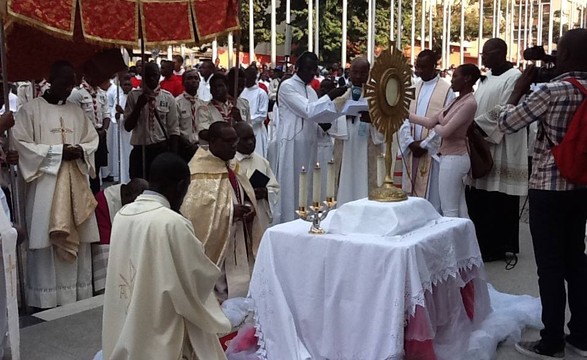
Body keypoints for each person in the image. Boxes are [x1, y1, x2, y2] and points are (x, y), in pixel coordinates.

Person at [497, 28, 587, 360]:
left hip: (549, 186)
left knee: (549, 266)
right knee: (576, 260)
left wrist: (518, 90)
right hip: (581, 186)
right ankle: (581, 335)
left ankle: (552, 341)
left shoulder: (553, 91)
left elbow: (507, 123)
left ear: (563, 55)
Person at [102, 153, 232, 360]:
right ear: (181, 185)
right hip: (161, 323)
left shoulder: (122, 214)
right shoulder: (172, 223)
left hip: (127, 313)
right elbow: (196, 278)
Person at [11, 60, 100, 308]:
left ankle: (77, 294)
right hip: (45, 187)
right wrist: (59, 153)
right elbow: (21, 145)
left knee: (78, 235)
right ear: (49, 79)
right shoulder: (30, 111)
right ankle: (45, 298)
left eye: (71, 83)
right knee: (46, 236)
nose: (68, 88)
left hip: (75, 185)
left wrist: (80, 150)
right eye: (63, 82)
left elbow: (91, 140)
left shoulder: (76, 111)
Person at [181, 122, 263, 301]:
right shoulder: (198, 171)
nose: (234, 145)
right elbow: (194, 213)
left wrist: (249, 208)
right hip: (219, 244)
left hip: (239, 234)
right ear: (212, 141)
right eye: (228, 141)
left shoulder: (231, 165)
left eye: (235, 140)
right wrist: (229, 211)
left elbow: (244, 192)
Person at [465, 38, 525, 262]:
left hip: (503, 143)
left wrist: (477, 126)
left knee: (499, 197)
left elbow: (508, 107)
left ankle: (499, 246)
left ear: (500, 53)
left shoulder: (515, 77)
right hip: (482, 141)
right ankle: (483, 242)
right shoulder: (487, 78)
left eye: (486, 53)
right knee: (482, 197)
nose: (483, 57)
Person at [276, 52, 346, 223]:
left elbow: (315, 114)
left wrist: (325, 123)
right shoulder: (287, 86)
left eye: (314, 70)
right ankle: (288, 222)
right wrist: (331, 95)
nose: (311, 74)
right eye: (307, 69)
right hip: (292, 144)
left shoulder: (311, 91)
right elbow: (308, 110)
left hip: (310, 143)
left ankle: (306, 221)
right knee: (292, 186)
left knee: (307, 187)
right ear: (297, 68)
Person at [408, 64, 481, 218]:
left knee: (449, 208)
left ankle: (452, 241)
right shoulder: (456, 100)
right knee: (460, 207)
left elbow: (446, 131)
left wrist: (439, 126)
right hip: (448, 156)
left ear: (467, 79)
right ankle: (465, 241)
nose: (452, 81)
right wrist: (404, 115)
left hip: (456, 157)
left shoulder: (469, 103)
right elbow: (430, 122)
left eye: (455, 76)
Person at [398, 50, 455, 212]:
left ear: (434, 67)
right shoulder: (413, 88)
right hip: (412, 151)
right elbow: (403, 118)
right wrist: (409, 142)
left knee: (432, 199)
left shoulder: (447, 90)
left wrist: (424, 145)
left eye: (424, 67)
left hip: (431, 154)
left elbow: (446, 121)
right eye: (417, 66)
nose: (419, 71)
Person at [331, 57, 385, 206]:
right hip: (346, 146)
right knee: (344, 181)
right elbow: (330, 121)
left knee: (365, 183)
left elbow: (385, 128)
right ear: (350, 72)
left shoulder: (377, 97)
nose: (359, 76)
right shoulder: (341, 96)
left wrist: (373, 120)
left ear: (369, 74)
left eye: (363, 72)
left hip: (367, 146)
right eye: (355, 72)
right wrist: (344, 116)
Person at [124, 62, 180, 179]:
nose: (151, 79)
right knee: (138, 185)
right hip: (140, 150)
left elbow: (173, 129)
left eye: (154, 75)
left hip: (160, 149)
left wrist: (173, 156)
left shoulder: (168, 98)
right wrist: (139, 106)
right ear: (142, 76)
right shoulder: (133, 96)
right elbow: (128, 127)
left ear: (159, 75)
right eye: (148, 75)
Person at [92, 178, 149, 293]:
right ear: (127, 194)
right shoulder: (103, 201)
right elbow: (104, 244)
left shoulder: (135, 201)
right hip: (108, 248)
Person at [68, 73, 111, 194]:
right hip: (85, 138)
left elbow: (106, 114)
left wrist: (104, 130)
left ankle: (96, 196)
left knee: (96, 170)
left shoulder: (102, 94)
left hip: (100, 135)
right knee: (85, 168)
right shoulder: (77, 94)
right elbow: (74, 118)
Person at [234, 122, 280, 228]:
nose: (250, 142)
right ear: (235, 141)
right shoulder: (230, 163)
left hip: (260, 215)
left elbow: (275, 188)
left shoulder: (262, 161)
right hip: (240, 219)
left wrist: (265, 192)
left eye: (252, 138)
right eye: (245, 139)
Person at [239, 67, 269, 157]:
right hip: (241, 130)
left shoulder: (261, 93)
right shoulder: (241, 92)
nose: (245, 80)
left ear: (254, 78)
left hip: (256, 130)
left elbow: (262, 114)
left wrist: (246, 120)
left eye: (248, 78)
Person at [109, 74, 134, 184]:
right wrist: (117, 116)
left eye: (129, 85)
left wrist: (123, 113)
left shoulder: (133, 97)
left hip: (131, 132)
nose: (127, 87)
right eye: (125, 85)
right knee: (122, 154)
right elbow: (114, 114)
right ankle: (122, 177)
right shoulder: (119, 97)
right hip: (121, 131)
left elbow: (134, 115)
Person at [176, 69, 203, 162]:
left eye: (196, 78)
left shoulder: (203, 104)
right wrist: (188, 145)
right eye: (190, 78)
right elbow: (175, 128)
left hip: (201, 149)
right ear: (183, 82)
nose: (193, 80)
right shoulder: (177, 103)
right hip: (184, 149)